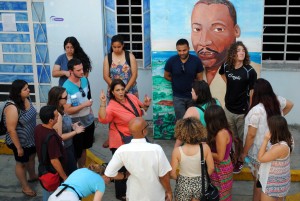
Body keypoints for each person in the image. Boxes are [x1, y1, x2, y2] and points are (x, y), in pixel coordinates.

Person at [98, 79, 151, 200]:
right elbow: (103, 119)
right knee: (121, 166)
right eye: (117, 90)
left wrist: (146, 105)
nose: (121, 92)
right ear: (112, 92)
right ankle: (121, 194)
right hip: (121, 139)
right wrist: (102, 103)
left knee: (141, 162)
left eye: (122, 89)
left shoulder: (132, 97)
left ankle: (139, 186)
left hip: (136, 136)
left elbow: (141, 111)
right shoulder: (111, 106)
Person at [242, 78, 293, 201]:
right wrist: (279, 120)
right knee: (269, 181)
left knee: (260, 183)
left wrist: (244, 152)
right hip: (275, 150)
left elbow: (251, 135)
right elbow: (290, 104)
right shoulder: (277, 101)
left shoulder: (256, 111)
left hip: (260, 151)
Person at [104, 117, 172, 201]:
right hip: (155, 195)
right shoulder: (156, 149)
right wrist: (169, 191)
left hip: (134, 194)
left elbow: (109, 173)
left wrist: (124, 176)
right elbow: (164, 176)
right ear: (144, 131)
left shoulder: (122, 150)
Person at [191, 0, 241, 106]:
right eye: (197, 29)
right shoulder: (193, 70)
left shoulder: (249, 72)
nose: (204, 41)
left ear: (236, 31)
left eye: (218, 29)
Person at [219, 41, 257, 174]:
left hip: (242, 111)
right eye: (238, 50)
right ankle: (233, 157)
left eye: (243, 51)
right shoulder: (226, 66)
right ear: (233, 53)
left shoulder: (249, 71)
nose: (241, 52)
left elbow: (252, 92)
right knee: (231, 136)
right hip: (228, 109)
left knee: (241, 138)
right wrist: (230, 84)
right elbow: (222, 74)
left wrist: (250, 110)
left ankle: (240, 160)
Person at [4, 79, 37, 197]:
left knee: (32, 157)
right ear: (18, 92)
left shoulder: (27, 98)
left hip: (31, 138)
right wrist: (19, 148)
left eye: (28, 87)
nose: (29, 90)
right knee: (21, 163)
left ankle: (32, 176)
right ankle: (25, 186)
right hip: (19, 142)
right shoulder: (12, 107)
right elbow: (11, 129)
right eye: (25, 89)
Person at [170, 117, 214, 201]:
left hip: (183, 183)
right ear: (199, 131)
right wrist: (203, 177)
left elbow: (172, 173)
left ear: (180, 133)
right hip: (200, 183)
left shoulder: (177, 151)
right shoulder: (205, 147)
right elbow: (211, 168)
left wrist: (178, 178)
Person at [62, 58, 95, 168]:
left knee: (84, 148)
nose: (82, 72)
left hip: (88, 121)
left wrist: (89, 108)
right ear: (71, 71)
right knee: (76, 151)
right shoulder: (66, 87)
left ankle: (82, 170)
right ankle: (74, 173)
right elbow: (67, 110)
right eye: (78, 70)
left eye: (82, 69)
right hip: (76, 124)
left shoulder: (84, 79)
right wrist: (84, 105)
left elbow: (87, 95)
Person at [47, 86, 85, 175]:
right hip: (64, 149)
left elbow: (64, 125)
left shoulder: (62, 108)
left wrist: (72, 125)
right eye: (65, 97)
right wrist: (76, 131)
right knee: (71, 172)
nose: (67, 98)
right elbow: (59, 137)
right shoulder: (57, 115)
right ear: (58, 99)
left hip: (69, 145)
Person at [164, 38, 204, 121]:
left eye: (184, 50)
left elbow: (200, 79)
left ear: (189, 48)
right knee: (181, 122)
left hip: (192, 97)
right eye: (179, 50)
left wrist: (197, 94)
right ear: (177, 50)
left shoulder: (196, 61)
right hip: (177, 97)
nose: (182, 53)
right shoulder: (171, 61)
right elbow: (166, 76)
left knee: (193, 121)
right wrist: (176, 81)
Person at [34, 105, 67, 201]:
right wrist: (64, 176)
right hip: (52, 172)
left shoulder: (38, 128)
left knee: (47, 192)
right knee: (54, 196)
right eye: (56, 116)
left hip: (44, 169)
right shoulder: (52, 138)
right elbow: (54, 161)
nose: (58, 117)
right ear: (51, 121)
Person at [174, 80, 220, 147]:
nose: (191, 93)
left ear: (198, 94)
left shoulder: (192, 110)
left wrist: (176, 147)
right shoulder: (216, 102)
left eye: (192, 91)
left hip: (200, 145)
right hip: (216, 142)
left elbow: (182, 132)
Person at [257, 116, 293, 201]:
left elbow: (260, 158)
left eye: (269, 127)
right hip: (280, 183)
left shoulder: (280, 147)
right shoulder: (288, 139)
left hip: (272, 186)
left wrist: (265, 140)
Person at [204, 105, 233, 201]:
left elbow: (220, 157)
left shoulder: (221, 133)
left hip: (220, 169)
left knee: (219, 195)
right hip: (219, 167)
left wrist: (204, 150)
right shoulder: (220, 130)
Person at [103, 34, 138, 99]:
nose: (116, 49)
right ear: (111, 46)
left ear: (123, 45)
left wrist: (125, 90)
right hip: (114, 92)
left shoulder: (130, 56)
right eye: (114, 47)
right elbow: (105, 76)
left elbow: (134, 75)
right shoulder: (108, 58)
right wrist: (116, 89)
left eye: (119, 47)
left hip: (129, 90)